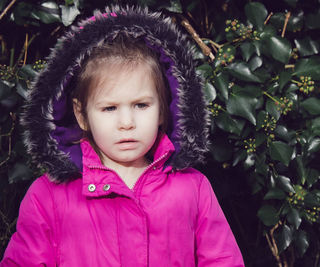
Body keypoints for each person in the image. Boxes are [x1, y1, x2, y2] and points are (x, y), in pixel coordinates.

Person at [0, 6, 244, 267]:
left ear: (163, 108)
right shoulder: (48, 197)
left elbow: (223, 260)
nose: (126, 123)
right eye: (109, 108)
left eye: (141, 105)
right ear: (82, 115)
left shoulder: (192, 190)